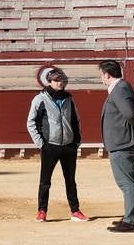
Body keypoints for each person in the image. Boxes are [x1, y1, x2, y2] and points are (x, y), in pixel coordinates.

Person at [26, 68, 88, 223]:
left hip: (68, 146)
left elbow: (76, 120)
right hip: (50, 146)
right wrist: (41, 144)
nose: (60, 83)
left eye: (62, 80)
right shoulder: (40, 99)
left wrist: (76, 141)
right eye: (57, 80)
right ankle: (42, 211)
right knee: (45, 181)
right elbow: (31, 122)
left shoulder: (69, 98)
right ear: (50, 82)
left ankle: (75, 211)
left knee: (70, 180)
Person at [99, 60, 134, 233]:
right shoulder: (120, 88)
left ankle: (132, 220)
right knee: (129, 181)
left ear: (106, 74)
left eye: (102, 74)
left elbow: (130, 114)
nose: (102, 78)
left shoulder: (120, 88)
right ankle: (131, 216)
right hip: (123, 140)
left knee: (127, 183)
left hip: (123, 141)